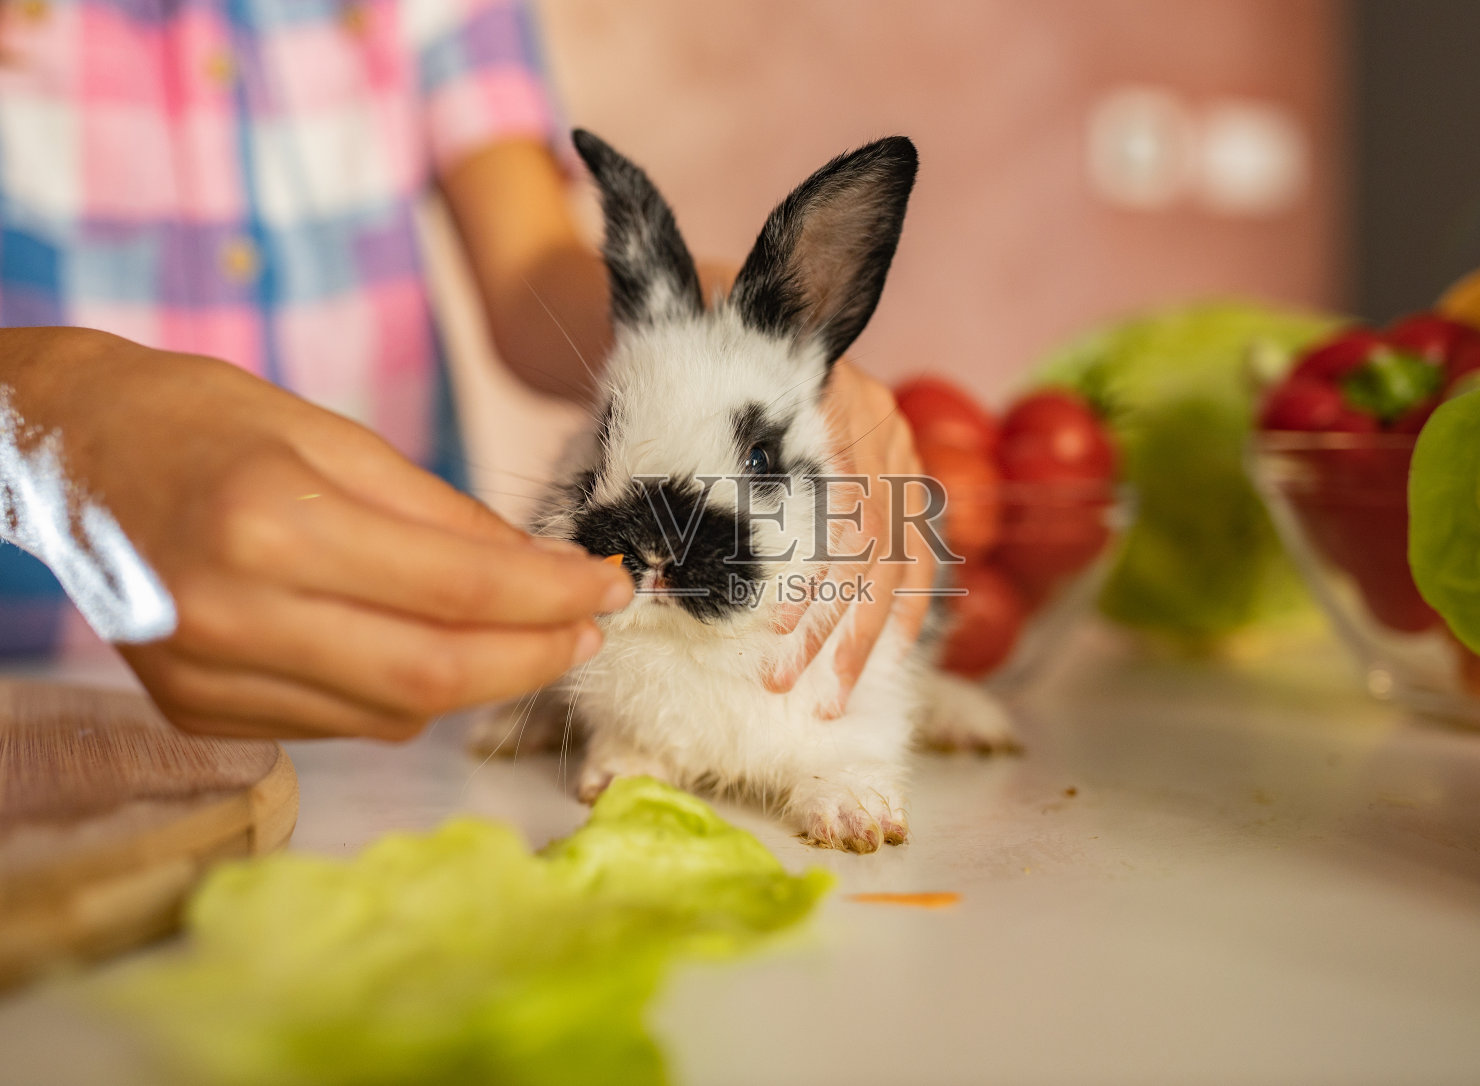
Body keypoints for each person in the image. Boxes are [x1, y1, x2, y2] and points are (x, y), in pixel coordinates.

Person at [0, 0, 930, 741]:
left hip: (391, 685)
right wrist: (41, 423)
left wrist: (736, 342)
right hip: (28, 680)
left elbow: (532, 280)